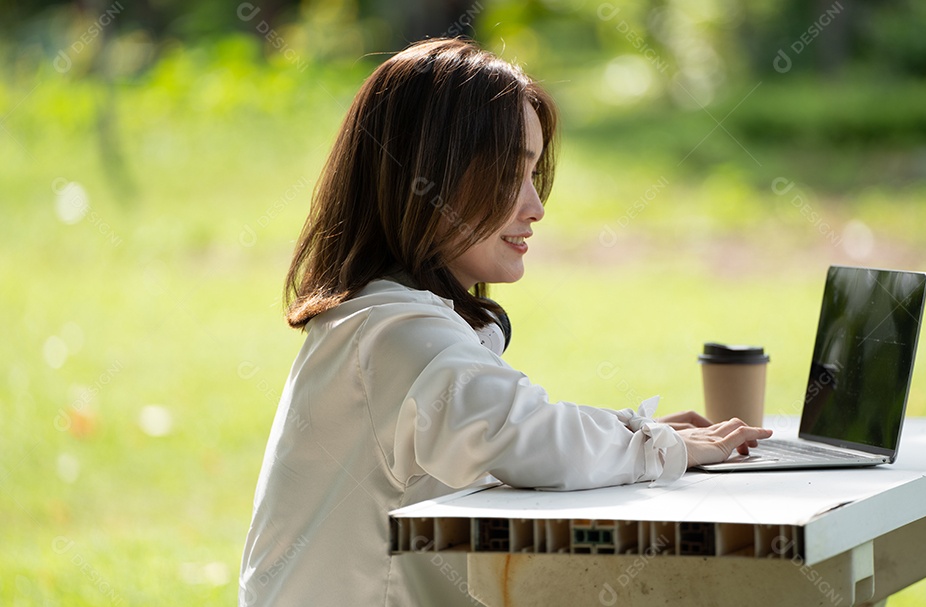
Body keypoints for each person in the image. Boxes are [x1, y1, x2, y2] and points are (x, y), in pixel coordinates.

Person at [238, 37, 772, 606]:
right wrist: (658, 446)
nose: (535, 206)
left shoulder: (376, 317)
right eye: (508, 175)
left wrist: (634, 438)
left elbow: (507, 434)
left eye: (535, 174)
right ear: (426, 178)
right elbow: (533, 437)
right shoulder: (395, 333)